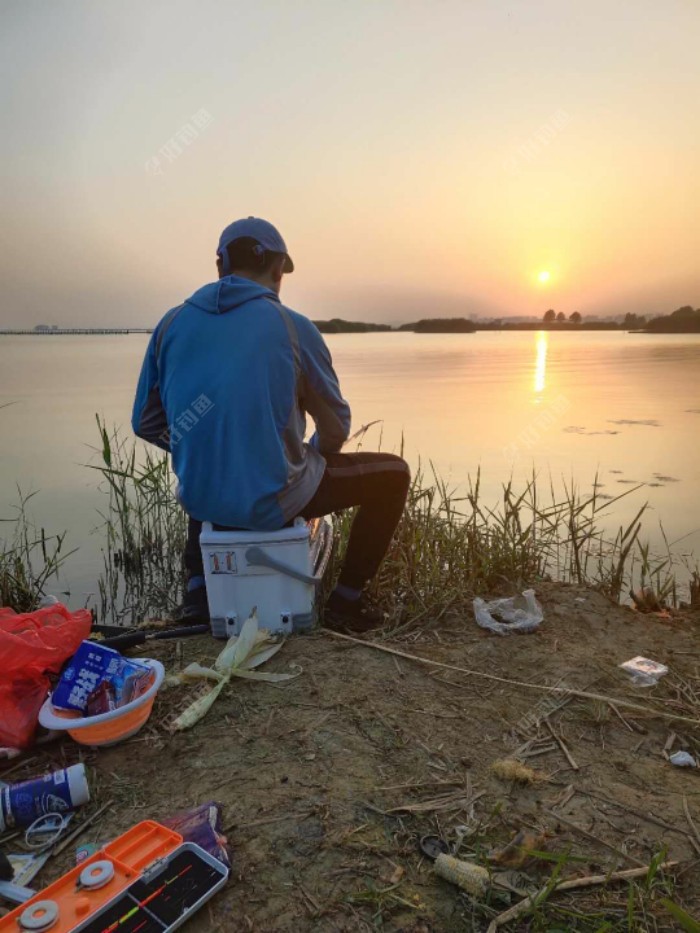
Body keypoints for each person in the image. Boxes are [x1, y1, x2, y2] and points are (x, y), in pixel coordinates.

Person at [132, 217, 410, 633]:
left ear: (220, 265)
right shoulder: (292, 327)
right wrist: (310, 455)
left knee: (210, 471)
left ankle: (197, 595)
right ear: (278, 270)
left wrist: (205, 445)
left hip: (203, 498)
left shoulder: (170, 324)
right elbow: (335, 425)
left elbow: (144, 422)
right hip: (276, 501)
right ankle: (346, 602)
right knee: (393, 475)